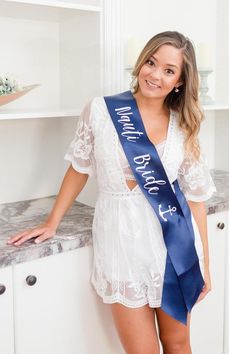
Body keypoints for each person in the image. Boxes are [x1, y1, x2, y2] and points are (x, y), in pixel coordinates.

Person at [7, 31, 216, 354]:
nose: (155, 74)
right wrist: (52, 222)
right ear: (141, 62)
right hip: (121, 248)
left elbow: (196, 199)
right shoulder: (102, 111)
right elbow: (78, 168)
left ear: (179, 82)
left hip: (173, 250)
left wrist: (204, 266)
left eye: (169, 70)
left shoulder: (182, 125)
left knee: (178, 344)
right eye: (151, 62)